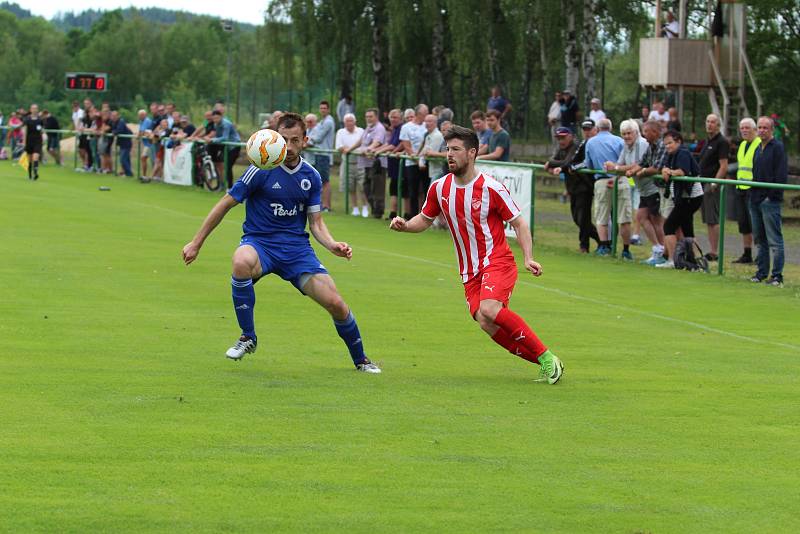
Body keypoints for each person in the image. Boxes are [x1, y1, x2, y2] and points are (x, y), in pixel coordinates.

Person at [181, 112, 380, 373]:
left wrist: (332, 245)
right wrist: (196, 242)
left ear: (305, 140)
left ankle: (361, 360)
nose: (288, 146)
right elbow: (225, 203)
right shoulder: (260, 170)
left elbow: (316, 223)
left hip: (297, 251)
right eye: (283, 139)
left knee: (336, 304)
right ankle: (247, 337)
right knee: (241, 262)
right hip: (260, 244)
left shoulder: (312, 176)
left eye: (294, 140)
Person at [389, 125, 563, 384]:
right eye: (447, 149)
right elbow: (424, 220)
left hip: (497, 260)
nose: (449, 154)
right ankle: (545, 362)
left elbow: (519, 223)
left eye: (456, 149)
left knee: (490, 309)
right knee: (485, 320)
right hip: (469, 270)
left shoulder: (491, 187)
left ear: (472, 153)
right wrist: (405, 226)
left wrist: (528, 257)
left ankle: (546, 357)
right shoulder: (439, 188)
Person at [545, 125, 600, 253]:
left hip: (584, 187)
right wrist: (552, 163)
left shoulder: (576, 146)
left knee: (583, 219)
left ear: (570, 136)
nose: (561, 141)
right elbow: (555, 160)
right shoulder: (561, 148)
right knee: (577, 219)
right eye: (558, 138)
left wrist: (551, 164)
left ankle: (584, 246)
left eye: (563, 138)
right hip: (572, 188)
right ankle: (601, 240)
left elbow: (567, 162)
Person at [656, 130, 704, 269]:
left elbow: (683, 171)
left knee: (669, 226)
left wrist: (670, 172)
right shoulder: (672, 154)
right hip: (683, 198)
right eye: (665, 144)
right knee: (687, 229)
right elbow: (665, 167)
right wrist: (665, 170)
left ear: (678, 141)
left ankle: (673, 260)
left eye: (670, 143)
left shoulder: (682, 152)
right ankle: (693, 262)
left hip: (690, 197)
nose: (667, 146)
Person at [748, 116, 787, 286]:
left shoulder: (777, 147)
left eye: (765, 127)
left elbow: (780, 175)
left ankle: (777, 276)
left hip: (769, 201)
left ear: (771, 129)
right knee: (759, 239)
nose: (762, 130)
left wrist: (770, 196)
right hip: (755, 199)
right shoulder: (757, 147)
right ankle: (761, 272)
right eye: (760, 127)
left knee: (774, 240)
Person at [584, 118, 628, 257]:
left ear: (597, 128)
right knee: (623, 217)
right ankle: (625, 250)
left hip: (602, 180)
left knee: (602, 215)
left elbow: (589, 164)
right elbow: (626, 161)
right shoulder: (620, 140)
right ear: (611, 127)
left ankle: (604, 247)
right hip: (621, 179)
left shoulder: (591, 142)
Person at [631, 120, 669, 265]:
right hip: (653, 188)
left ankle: (665, 252)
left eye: (646, 131)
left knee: (657, 221)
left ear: (655, 132)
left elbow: (656, 168)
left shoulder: (661, 145)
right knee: (641, 216)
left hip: (660, 189)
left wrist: (642, 172)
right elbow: (642, 162)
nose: (644, 134)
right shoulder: (651, 146)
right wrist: (632, 171)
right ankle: (658, 248)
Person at [698, 113, 729, 261]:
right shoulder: (707, 141)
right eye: (708, 121)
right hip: (702, 182)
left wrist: (715, 183)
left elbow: (723, 166)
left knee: (713, 218)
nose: (709, 124)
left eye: (713, 122)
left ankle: (714, 251)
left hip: (712, 185)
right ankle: (711, 251)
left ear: (718, 125)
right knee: (707, 219)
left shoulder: (721, 142)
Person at [731, 117, 760, 264]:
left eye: (747, 127)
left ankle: (760, 254)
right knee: (743, 223)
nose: (744, 130)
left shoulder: (759, 144)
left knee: (755, 222)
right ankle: (747, 253)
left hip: (753, 188)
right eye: (742, 128)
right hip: (740, 187)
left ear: (755, 129)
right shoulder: (742, 145)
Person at [372, 108, 405, 219]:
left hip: (400, 165)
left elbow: (393, 146)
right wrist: (377, 150)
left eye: (395, 117)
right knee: (393, 188)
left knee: (400, 189)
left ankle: (402, 213)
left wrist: (378, 151)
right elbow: (389, 144)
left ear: (401, 118)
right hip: (393, 165)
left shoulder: (401, 128)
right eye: (391, 117)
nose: (393, 119)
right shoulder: (395, 129)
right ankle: (393, 213)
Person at [357, 108, 388, 219]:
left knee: (377, 188)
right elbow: (361, 141)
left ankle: (378, 212)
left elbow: (377, 142)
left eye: (371, 116)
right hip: (367, 163)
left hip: (377, 163)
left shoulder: (379, 128)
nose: (368, 118)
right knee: (366, 186)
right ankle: (374, 209)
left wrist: (368, 149)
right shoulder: (368, 128)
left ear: (376, 117)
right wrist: (351, 149)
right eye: (367, 116)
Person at [398, 104, 428, 217]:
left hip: (425, 163)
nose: (426, 115)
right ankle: (413, 216)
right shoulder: (406, 127)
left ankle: (426, 216)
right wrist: (417, 161)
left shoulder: (426, 125)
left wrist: (422, 161)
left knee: (426, 190)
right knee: (413, 191)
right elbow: (407, 146)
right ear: (419, 114)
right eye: (425, 113)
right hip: (412, 163)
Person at [334, 113, 366, 216]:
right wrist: (347, 149)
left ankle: (365, 207)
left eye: (351, 121)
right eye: (347, 121)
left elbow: (364, 145)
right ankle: (355, 208)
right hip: (347, 162)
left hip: (361, 163)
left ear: (355, 122)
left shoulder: (361, 131)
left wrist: (349, 149)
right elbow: (339, 146)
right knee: (350, 187)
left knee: (363, 186)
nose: (349, 123)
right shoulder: (341, 132)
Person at [305, 101, 335, 211]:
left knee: (325, 181)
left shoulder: (328, 122)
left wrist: (305, 144)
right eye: (321, 108)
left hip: (324, 154)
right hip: (319, 154)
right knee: (319, 181)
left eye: (324, 108)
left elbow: (318, 138)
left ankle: (327, 206)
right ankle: (321, 204)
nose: (322, 110)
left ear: (328, 109)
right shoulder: (322, 121)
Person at [210, 109, 242, 189]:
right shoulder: (215, 124)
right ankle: (226, 186)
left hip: (234, 146)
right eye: (214, 118)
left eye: (217, 118)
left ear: (221, 117)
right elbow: (219, 136)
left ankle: (230, 187)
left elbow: (225, 137)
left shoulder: (226, 124)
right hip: (227, 147)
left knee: (228, 166)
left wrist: (212, 140)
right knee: (226, 166)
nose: (215, 120)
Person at [22, 104, 44, 180]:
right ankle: (30, 175)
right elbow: (25, 131)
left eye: (36, 108)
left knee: (36, 157)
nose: (34, 110)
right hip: (29, 141)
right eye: (33, 108)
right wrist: (24, 142)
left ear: (37, 110)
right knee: (29, 159)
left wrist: (43, 139)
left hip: (37, 141)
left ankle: (35, 173)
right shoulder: (27, 119)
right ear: (30, 110)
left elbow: (41, 131)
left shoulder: (40, 120)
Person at [110, 110, 133, 177]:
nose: (113, 117)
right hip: (122, 143)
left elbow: (119, 130)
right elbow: (113, 130)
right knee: (126, 159)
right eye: (112, 116)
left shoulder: (121, 121)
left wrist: (114, 132)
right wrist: (114, 131)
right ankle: (127, 173)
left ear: (118, 116)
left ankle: (129, 173)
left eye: (115, 116)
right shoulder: (113, 122)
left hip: (126, 143)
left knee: (123, 159)